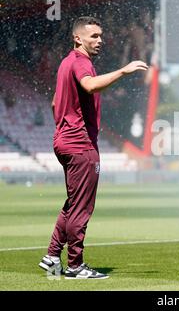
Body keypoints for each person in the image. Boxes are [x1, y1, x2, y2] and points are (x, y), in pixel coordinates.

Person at [38, 16, 148, 279]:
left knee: (74, 203)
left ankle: (53, 256)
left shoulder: (66, 63)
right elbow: (88, 85)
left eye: (100, 35)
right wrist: (124, 70)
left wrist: (67, 120)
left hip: (64, 139)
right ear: (78, 38)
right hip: (80, 143)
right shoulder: (81, 62)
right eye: (94, 36)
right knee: (82, 207)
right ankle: (75, 266)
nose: (100, 40)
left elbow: (55, 103)